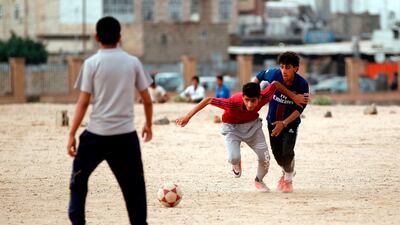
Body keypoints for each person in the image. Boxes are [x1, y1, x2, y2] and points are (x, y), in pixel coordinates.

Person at [67, 16, 152, 225]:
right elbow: (147, 100)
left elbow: (83, 102)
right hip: (125, 138)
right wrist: (148, 124)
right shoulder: (132, 62)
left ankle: (78, 221)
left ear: (97, 37)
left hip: (96, 135)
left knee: (78, 182)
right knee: (135, 190)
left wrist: (71, 134)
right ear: (120, 37)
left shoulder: (91, 64)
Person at [176, 81, 309, 192]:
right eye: (247, 100)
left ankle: (259, 180)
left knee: (265, 158)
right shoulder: (232, 103)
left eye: (253, 101)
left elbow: (275, 84)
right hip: (232, 129)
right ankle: (236, 162)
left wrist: (294, 97)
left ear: (259, 97)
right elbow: (208, 100)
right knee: (233, 157)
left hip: (253, 127)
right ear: (243, 97)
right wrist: (187, 116)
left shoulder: (265, 96)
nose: (250, 104)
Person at [254, 51, 309, 193]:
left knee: (288, 151)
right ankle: (286, 171)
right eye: (282, 66)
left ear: (296, 68)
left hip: (290, 124)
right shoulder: (274, 74)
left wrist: (284, 123)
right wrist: (253, 93)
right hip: (272, 121)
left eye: (288, 67)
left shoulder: (302, 84)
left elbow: (299, 109)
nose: (284, 70)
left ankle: (288, 180)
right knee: (279, 156)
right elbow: (259, 77)